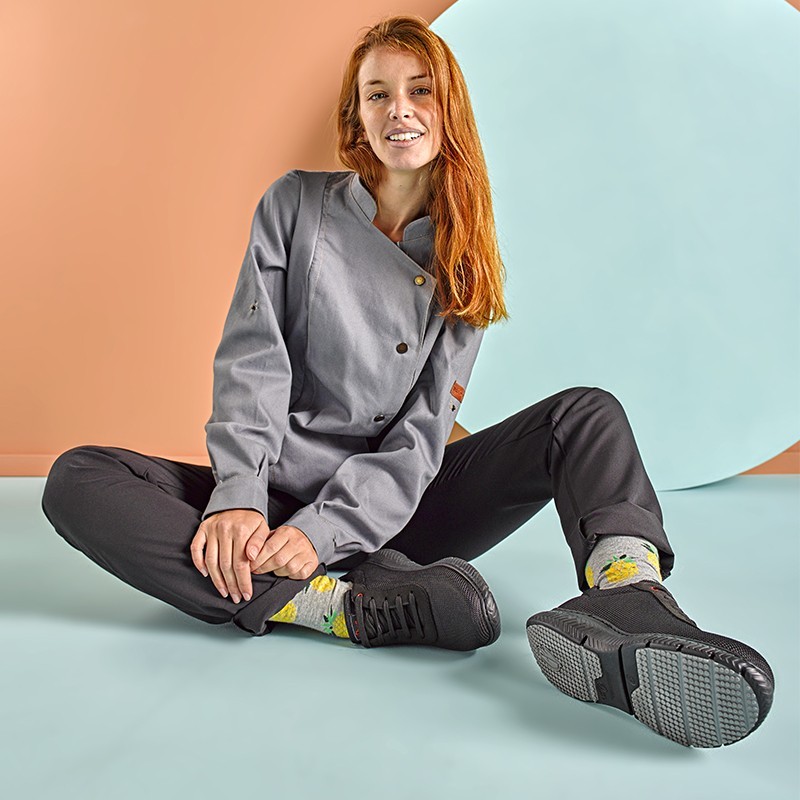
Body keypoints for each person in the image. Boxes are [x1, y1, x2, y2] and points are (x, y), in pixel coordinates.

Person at [41, 15, 774, 749]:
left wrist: (324, 531)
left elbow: (421, 440)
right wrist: (237, 496)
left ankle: (627, 596)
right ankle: (337, 606)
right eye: (378, 94)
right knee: (78, 479)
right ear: (357, 118)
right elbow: (253, 363)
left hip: (393, 511)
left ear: (447, 107)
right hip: (270, 496)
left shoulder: (463, 253)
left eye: (420, 90)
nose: (400, 109)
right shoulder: (293, 205)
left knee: (586, 415)